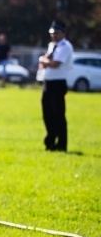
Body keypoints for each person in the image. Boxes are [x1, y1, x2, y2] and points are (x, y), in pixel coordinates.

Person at [38, 20, 73, 152]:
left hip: (58, 83)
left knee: (58, 115)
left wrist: (43, 60)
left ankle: (61, 144)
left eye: (57, 33)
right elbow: (47, 60)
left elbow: (55, 63)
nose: (54, 36)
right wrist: (45, 60)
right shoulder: (52, 45)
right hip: (48, 83)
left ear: (63, 33)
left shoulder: (65, 46)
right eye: (52, 33)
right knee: (47, 114)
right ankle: (50, 141)